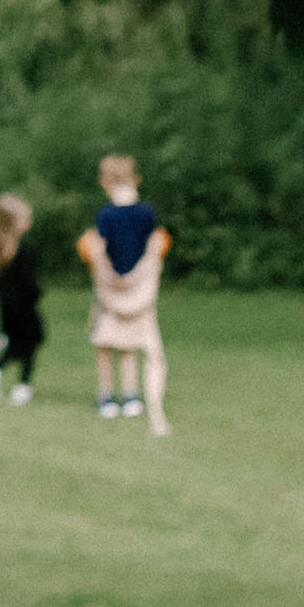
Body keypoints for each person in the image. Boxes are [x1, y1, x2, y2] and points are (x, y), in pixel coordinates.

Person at [78, 155, 171, 434]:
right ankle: (131, 396)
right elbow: (153, 247)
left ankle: (106, 397)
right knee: (130, 343)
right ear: (134, 179)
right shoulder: (146, 213)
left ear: (106, 182)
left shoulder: (105, 215)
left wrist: (105, 271)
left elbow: (100, 249)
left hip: (111, 291)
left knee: (104, 343)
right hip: (139, 291)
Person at [0, 192, 43, 405]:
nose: (28, 223)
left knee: (19, 345)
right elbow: (30, 285)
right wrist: (37, 294)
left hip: (8, 311)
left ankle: (9, 381)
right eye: (24, 219)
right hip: (24, 310)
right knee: (28, 345)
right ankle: (16, 382)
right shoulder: (22, 253)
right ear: (12, 223)